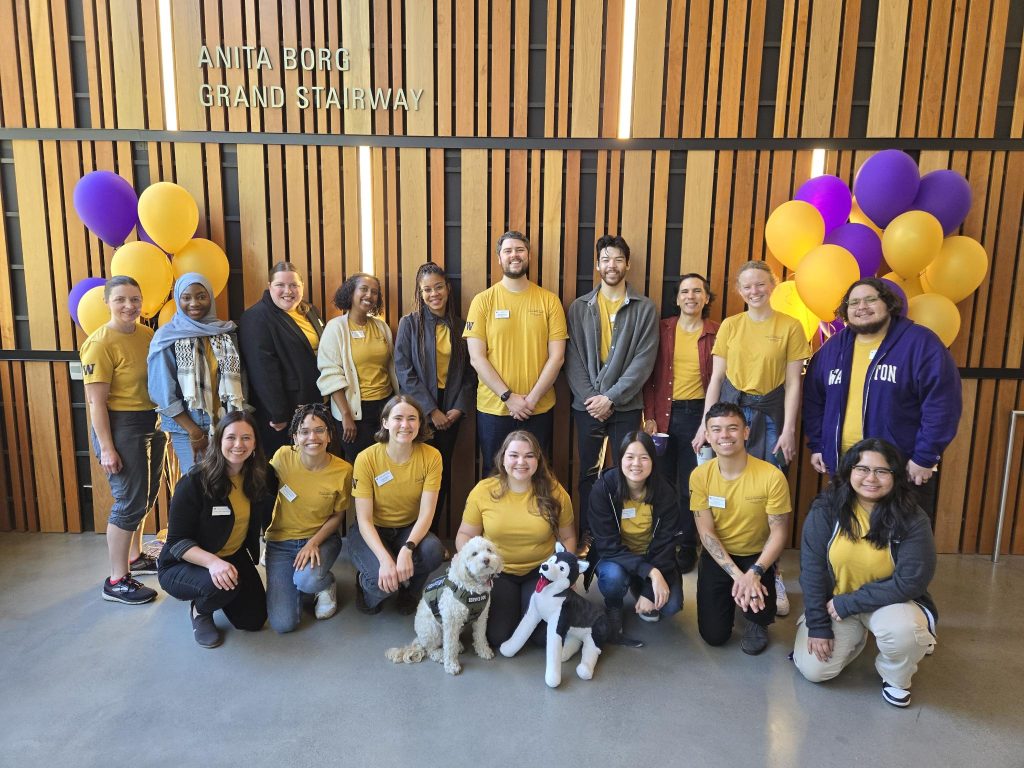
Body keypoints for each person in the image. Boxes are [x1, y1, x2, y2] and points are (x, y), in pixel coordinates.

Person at [695, 260, 809, 615]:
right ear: (738, 291)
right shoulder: (730, 326)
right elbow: (716, 379)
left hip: (772, 416)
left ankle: (770, 572)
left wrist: (789, 428)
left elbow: (793, 383)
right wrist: (704, 424)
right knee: (725, 488)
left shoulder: (790, 326)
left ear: (772, 285)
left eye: (760, 284)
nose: (754, 291)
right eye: (747, 286)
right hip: (730, 412)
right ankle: (726, 568)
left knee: (769, 490)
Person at [803, 277, 962, 523]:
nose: (861, 306)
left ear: (888, 304)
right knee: (848, 542)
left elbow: (942, 404)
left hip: (903, 470)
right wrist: (817, 444)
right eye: (853, 302)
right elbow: (814, 399)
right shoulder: (832, 348)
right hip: (846, 468)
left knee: (901, 545)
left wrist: (925, 457)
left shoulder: (920, 343)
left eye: (870, 299)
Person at [793, 438, 937, 708]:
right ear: (849, 472)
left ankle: (896, 676)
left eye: (882, 471)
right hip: (835, 602)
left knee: (905, 634)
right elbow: (811, 572)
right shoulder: (826, 509)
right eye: (862, 469)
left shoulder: (912, 517)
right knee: (815, 671)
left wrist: (849, 604)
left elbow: (912, 581)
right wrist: (818, 625)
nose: (871, 478)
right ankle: (857, 636)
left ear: (896, 475)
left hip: (889, 603)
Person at [565, 235, 658, 544]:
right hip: (587, 406)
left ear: (627, 264)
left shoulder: (645, 309)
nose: (612, 265)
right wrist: (594, 399)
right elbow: (573, 358)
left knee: (626, 473)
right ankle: (590, 534)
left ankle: (620, 537)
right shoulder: (579, 307)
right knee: (588, 474)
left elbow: (644, 362)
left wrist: (611, 397)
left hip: (627, 406)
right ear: (597, 265)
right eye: (606, 259)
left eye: (618, 259)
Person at [157, 412, 278, 647]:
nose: (238, 445)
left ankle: (219, 592)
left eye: (246, 438)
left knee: (253, 621)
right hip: (185, 562)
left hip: (232, 555)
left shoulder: (260, 476)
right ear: (219, 440)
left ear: (255, 444)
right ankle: (201, 611)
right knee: (217, 587)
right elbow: (177, 542)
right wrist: (213, 563)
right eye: (231, 437)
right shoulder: (195, 482)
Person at [81, 276, 167, 605]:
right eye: (121, 300)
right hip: (120, 425)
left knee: (145, 496)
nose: (129, 306)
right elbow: (96, 403)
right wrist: (106, 447)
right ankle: (117, 579)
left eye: (135, 299)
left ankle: (136, 557)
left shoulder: (148, 335)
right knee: (128, 502)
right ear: (108, 303)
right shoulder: (100, 343)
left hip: (151, 419)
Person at [455, 430, 577, 647]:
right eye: (514, 455)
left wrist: (566, 574)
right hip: (497, 573)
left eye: (529, 455)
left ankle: (526, 608)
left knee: (543, 638)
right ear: (503, 458)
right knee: (497, 636)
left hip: (541, 572)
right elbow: (465, 535)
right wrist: (471, 568)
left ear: (538, 461)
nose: (521, 462)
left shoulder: (556, 492)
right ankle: (519, 610)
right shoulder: (483, 491)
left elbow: (568, 537)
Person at [689, 403, 792, 655]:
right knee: (714, 636)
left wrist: (754, 572)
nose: (724, 436)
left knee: (758, 610)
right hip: (719, 556)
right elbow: (706, 533)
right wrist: (739, 577)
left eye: (732, 428)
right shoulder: (700, 476)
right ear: (708, 436)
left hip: (758, 557)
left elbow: (779, 532)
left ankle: (758, 619)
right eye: (716, 430)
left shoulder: (772, 475)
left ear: (746, 432)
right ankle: (738, 593)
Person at [464, 231, 568, 475]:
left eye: (519, 250)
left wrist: (530, 400)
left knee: (537, 476)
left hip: (538, 408)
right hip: (494, 409)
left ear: (529, 256)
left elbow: (557, 357)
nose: (514, 255)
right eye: (508, 251)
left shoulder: (549, 301)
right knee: (494, 474)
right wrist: (508, 397)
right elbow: (476, 357)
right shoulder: (483, 301)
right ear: (499, 259)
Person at [643, 273, 720, 574]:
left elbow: (721, 380)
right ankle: (663, 543)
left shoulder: (716, 332)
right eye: (685, 291)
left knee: (693, 486)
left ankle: (688, 544)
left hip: (698, 416)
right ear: (676, 299)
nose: (691, 296)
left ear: (706, 298)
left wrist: (708, 424)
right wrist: (649, 415)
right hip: (663, 414)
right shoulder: (662, 330)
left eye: (697, 291)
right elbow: (648, 376)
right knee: (661, 483)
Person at [348, 395, 445, 615]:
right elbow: (363, 519)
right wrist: (384, 559)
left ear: (420, 423)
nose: (405, 425)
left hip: (407, 529)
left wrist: (407, 550)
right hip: (372, 530)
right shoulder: (366, 459)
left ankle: (409, 591)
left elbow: (427, 513)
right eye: (398, 418)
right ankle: (367, 581)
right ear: (385, 422)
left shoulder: (432, 457)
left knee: (433, 551)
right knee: (380, 588)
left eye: (412, 418)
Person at [394, 263, 475, 527]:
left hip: (451, 410)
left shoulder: (461, 326)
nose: (434, 294)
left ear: (448, 288)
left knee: (441, 472)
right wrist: (431, 411)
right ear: (420, 293)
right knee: (415, 472)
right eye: (427, 289)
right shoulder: (409, 324)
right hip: (418, 411)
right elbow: (404, 370)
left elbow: (469, 373)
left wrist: (458, 409)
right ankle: (408, 533)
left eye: (438, 287)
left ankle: (431, 533)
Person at [589, 432, 683, 647]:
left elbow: (667, 544)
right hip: (615, 556)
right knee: (613, 578)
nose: (636, 464)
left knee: (671, 606)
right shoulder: (604, 488)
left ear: (653, 460)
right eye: (629, 457)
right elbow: (607, 546)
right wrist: (652, 573)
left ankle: (639, 586)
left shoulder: (665, 492)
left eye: (644, 457)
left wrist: (650, 590)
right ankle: (614, 606)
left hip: (652, 555)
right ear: (620, 459)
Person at [264, 403, 351, 633]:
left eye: (320, 430)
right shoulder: (283, 457)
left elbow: (338, 516)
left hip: (321, 539)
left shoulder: (343, 470)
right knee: (284, 624)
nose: (312, 437)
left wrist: (313, 543)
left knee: (306, 580)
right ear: (295, 437)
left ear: (330, 435)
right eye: (304, 431)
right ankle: (300, 580)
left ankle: (325, 584)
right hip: (281, 543)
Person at [148, 272, 246, 473]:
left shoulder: (225, 333)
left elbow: (241, 381)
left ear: (210, 297)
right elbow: (162, 392)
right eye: (186, 297)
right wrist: (193, 431)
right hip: (189, 427)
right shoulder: (166, 337)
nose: (194, 303)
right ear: (177, 300)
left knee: (226, 484)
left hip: (226, 424)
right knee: (198, 486)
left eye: (201, 296)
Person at [239, 262, 325, 457]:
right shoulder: (256, 317)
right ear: (270, 286)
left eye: (294, 285)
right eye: (280, 285)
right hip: (283, 413)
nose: (288, 291)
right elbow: (263, 371)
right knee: (283, 467)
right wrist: (279, 413)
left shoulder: (309, 311)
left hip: (314, 405)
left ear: (302, 286)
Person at [317, 273, 399, 464]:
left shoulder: (381, 327)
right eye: (363, 289)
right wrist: (346, 415)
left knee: (384, 464)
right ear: (350, 293)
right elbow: (330, 375)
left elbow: (392, 367)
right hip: (354, 411)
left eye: (375, 292)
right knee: (362, 466)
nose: (369, 295)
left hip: (384, 408)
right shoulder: (335, 328)